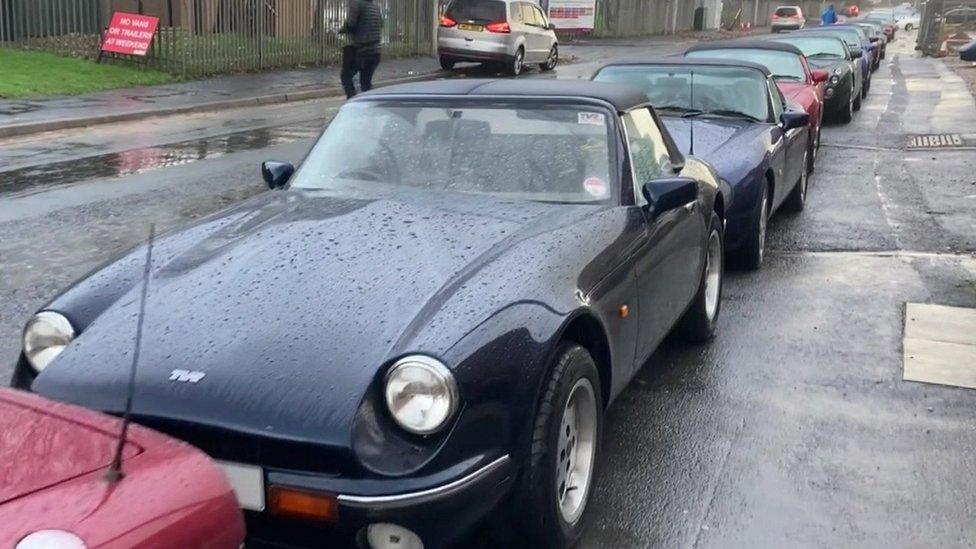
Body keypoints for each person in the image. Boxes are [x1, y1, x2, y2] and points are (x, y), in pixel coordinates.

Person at [340, 0, 383, 99]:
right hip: (376, 51)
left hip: (362, 51)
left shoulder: (356, 3)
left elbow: (351, 24)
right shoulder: (375, 7)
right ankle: (367, 106)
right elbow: (381, 24)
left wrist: (344, 29)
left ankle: (352, 103)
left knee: (346, 76)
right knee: (365, 82)